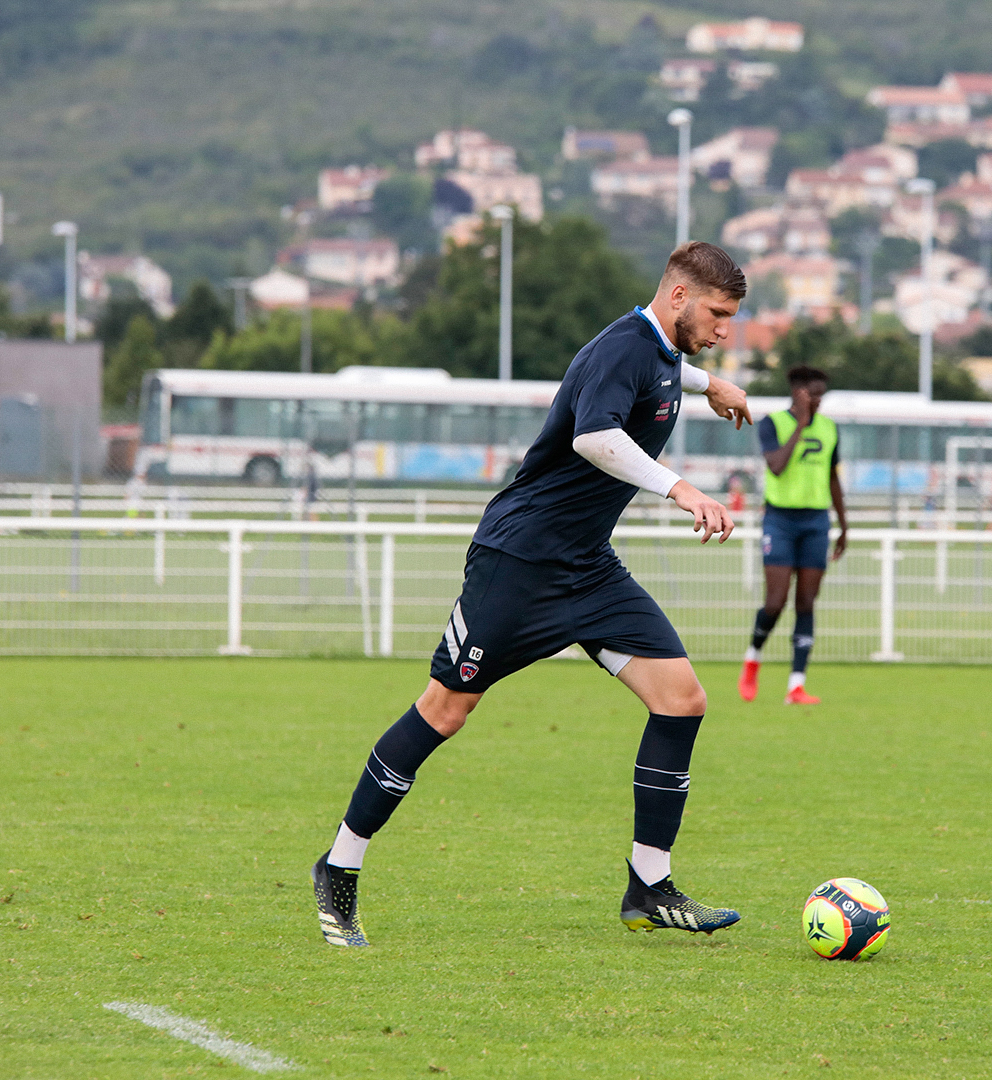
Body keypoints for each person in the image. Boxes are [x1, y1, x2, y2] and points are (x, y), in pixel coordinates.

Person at [312, 242, 755, 947]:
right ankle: (339, 868)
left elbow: (664, 372)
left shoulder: (661, 352)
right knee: (445, 711)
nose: (727, 328)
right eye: (719, 313)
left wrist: (711, 386)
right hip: (518, 563)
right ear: (678, 298)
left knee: (682, 699)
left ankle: (649, 886)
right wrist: (682, 488)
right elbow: (595, 437)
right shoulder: (622, 348)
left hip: (588, 567)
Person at [739, 366, 848, 705]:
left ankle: (796, 685)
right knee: (776, 601)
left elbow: (832, 478)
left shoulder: (830, 428)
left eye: (821, 395)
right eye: (812, 394)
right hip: (780, 520)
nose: (817, 401)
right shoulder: (773, 423)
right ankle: (753, 658)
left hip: (816, 522)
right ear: (797, 392)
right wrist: (800, 424)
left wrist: (844, 524)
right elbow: (776, 466)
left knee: (806, 603)